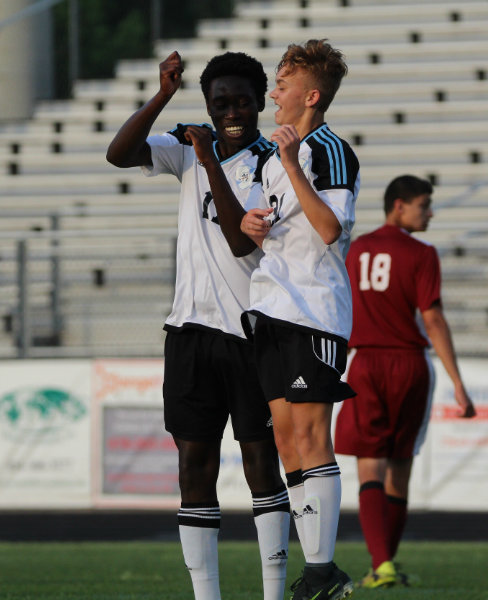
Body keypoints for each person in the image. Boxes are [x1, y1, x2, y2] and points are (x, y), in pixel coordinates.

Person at [105, 51, 290, 600]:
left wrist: (207, 155)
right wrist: (162, 96)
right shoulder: (187, 149)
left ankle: (272, 592)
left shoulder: (272, 163)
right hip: (189, 331)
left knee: (261, 460)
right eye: (219, 102)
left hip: (251, 332)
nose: (231, 110)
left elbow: (239, 239)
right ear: (206, 104)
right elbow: (118, 154)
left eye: (241, 101)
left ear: (259, 102)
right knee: (193, 464)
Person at [238, 39, 359, 600]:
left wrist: (292, 163)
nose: (272, 92)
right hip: (272, 307)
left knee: (312, 435)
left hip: (314, 311)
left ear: (311, 96)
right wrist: (253, 227)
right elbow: (285, 224)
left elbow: (331, 229)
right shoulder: (268, 156)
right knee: (287, 441)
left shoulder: (330, 149)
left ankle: (322, 569)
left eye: (282, 84)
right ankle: (317, 570)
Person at [334, 175, 476, 588]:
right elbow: (432, 317)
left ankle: (382, 566)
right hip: (410, 365)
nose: (429, 212)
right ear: (399, 205)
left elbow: (340, 311)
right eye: (424, 204)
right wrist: (458, 384)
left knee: (370, 469)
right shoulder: (422, 253)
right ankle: (385, 565)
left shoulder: (355, 248)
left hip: (366, 364)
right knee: (400, 470)